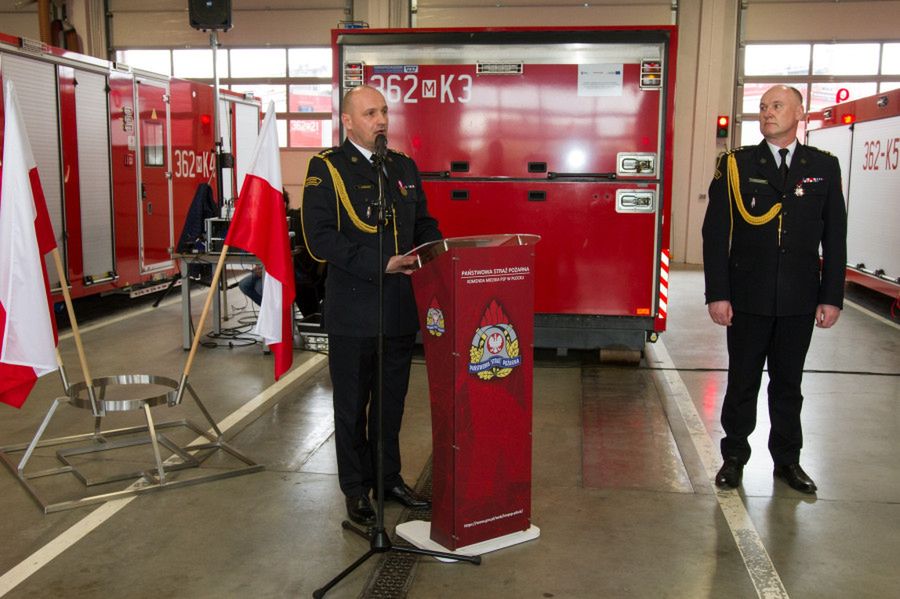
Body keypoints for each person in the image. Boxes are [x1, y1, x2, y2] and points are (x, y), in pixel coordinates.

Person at [301, 85, 441, 526]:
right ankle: (355, 489)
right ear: (347, 121)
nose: (381, 120)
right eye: (369, 113)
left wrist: (434, 251)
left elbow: (423, 222)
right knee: (351, 408)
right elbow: (320, 238)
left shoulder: (402, 167)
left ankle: (387, 478)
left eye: (383, 111)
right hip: (353, 311)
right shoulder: (327, 168)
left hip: (398, 309)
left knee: (390, 404)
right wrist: (382, 264)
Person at [702, 85, 847, 494]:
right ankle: (734, 457)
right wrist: (718, 293)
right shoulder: (736, 164)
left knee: (788, 385)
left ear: (800, 112)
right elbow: (716, 233)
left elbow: (835, 237)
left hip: (799, 298)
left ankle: (787, 461)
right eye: (764, 107)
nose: (768, 112)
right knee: (742, 381)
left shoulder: (823, 166)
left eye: (778, 106)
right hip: (748, 296)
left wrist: (831, 296)